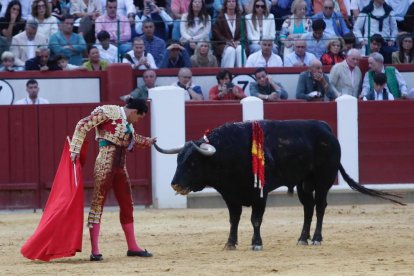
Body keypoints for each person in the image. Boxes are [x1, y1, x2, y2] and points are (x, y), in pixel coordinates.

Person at [69, 98, 156, 261]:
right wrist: (75, 149)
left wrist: (148, 141)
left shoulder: (127, 123)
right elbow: (82, 125)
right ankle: (95, 251)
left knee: (127, 204)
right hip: (104, 165)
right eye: (139, 117)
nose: (138, 120)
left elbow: (133, 138)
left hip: (120, 167)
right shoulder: (109, 111)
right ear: (134, 112)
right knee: (97, 204)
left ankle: (132, 247)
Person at [212, 0, 248, 68]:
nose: (231, 3)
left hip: (238, 43)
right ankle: (227, 73)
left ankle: (242, 73)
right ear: (226, 4)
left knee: (240, 49)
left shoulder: (240, 17)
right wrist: (228, 42)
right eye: (229, 1)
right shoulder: (220, 17)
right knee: (230, 50)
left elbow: (244, 33)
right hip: (223, 44)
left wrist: (238, 41)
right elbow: (217, 34)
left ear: (236, 4)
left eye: (233, 1)